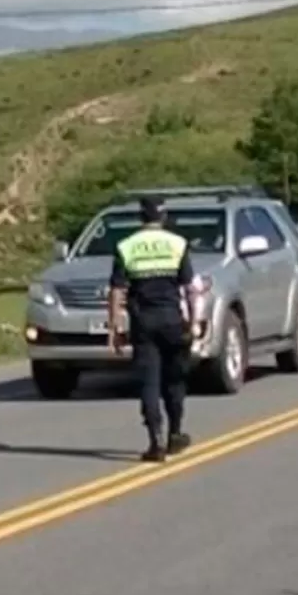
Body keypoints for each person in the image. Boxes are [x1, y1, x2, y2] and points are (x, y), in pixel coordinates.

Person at [106, 195, 203, 462]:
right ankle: (175, 433)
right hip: (173, 320)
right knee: (175, 380)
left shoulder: (127, 246)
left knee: (149, 382)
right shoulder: (177, 244)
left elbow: (117, 290)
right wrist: (194, 323)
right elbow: (190, 289)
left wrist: (114, 328)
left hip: (143, 322)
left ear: (141, 217)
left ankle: (155, 442)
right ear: (163, 216)